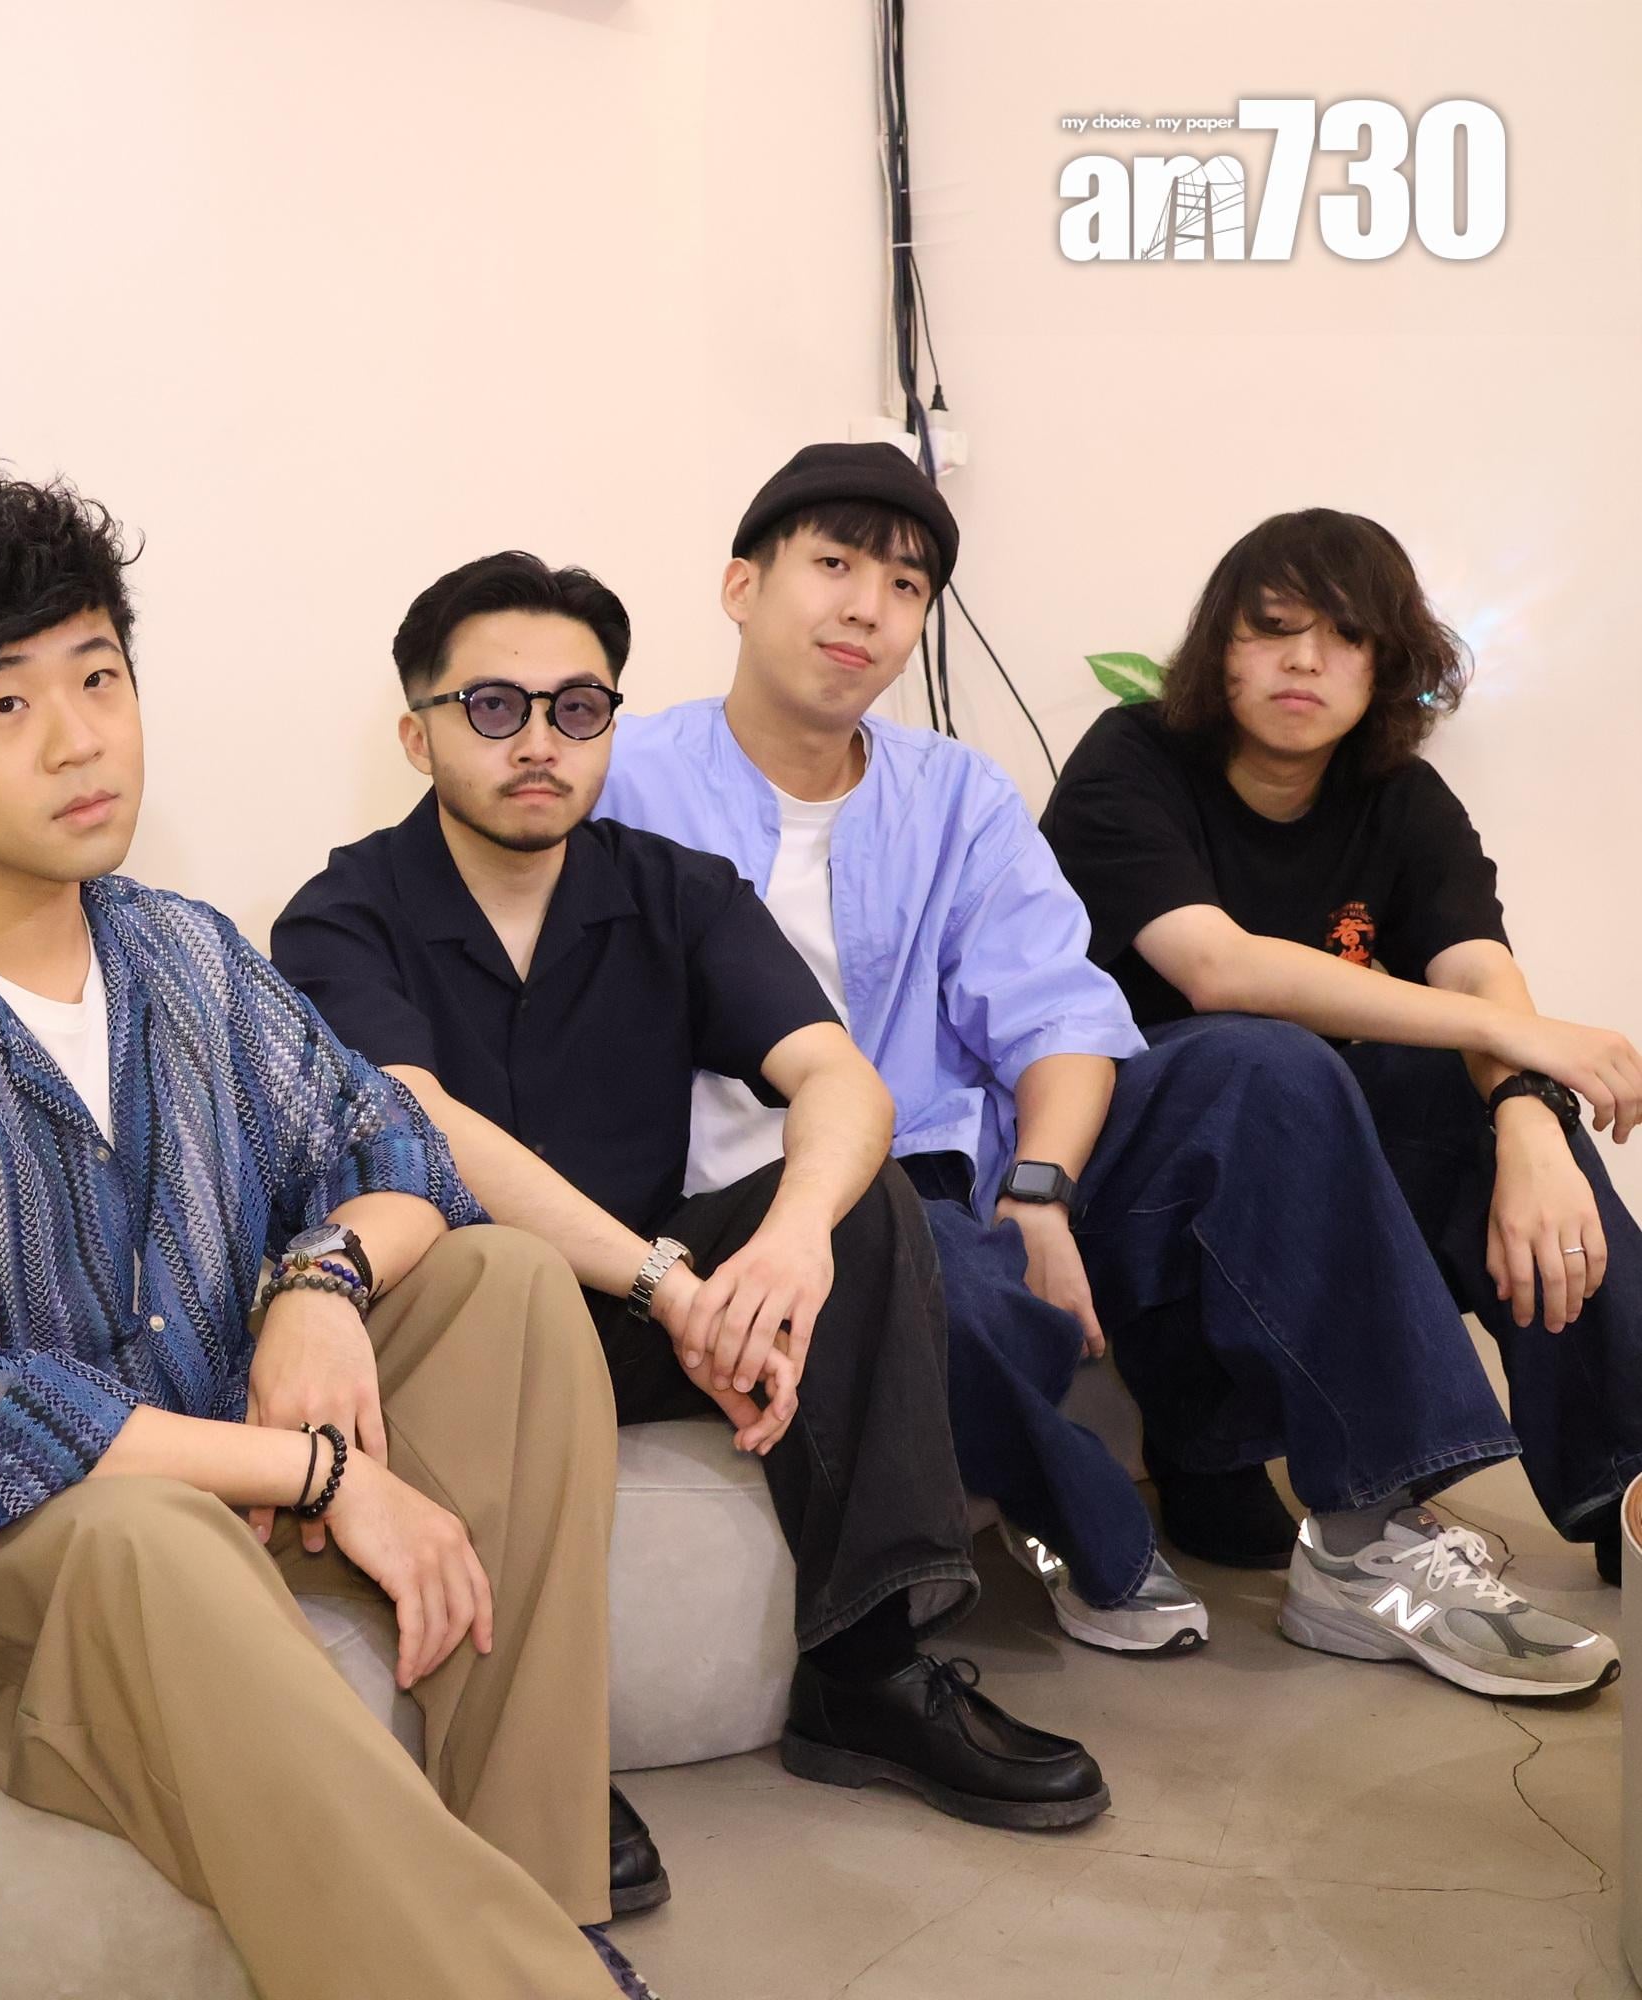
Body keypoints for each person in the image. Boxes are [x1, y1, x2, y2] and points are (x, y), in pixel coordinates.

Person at [0, 467, 653, 2000]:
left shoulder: (183, 953)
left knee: (509, 1286)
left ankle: (547, 1900)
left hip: (220, 1487)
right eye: (5, 705)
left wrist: (319, 1283)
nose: (79, 739)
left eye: (99, 678)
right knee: (142, 1528)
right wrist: (323, 1476)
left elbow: (405, 1153)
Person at [603, 447, 1613, 1703]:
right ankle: (1090, 1528)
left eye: (906, 585)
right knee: (928, 1264)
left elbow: (1058, 1010)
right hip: (773, 1199)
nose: (867, 606)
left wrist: (1041, 1186)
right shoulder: (620, 780)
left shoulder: (956, 794)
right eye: (835, 564)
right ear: (742, 587)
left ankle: (1369, 1540)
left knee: (1261, 1068)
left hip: (972, 1160)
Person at [272, 549, 1111, 1870]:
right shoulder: (341, 916)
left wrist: (788, 1241)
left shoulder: (674, 889)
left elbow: (840, 1080)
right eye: (492, 707)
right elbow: (427, 1126)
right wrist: (667, 1282)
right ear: (418, 734)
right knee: (503, 1278)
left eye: (576, 708)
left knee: (862, 1203)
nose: (538, 742)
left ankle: (869, 1671)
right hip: (458, 1325)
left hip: (632, 1316)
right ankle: (531, 1747)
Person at [1042, 504, 1642, 1606]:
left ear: (1388, 663)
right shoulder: (1130, 760)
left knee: (1457, 1100)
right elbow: (1216, 966)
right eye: (1273, 628)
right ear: (1219, 645)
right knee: (1269, 1060)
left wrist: (1527, 1116)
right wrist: (1516, 1042)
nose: (1306, 659)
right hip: (1123, 1173)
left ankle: (1630, 1479)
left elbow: (1476, 970)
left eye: (1346, 635)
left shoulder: (1400, 800)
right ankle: (1319, 1489)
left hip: (1296, 1169)